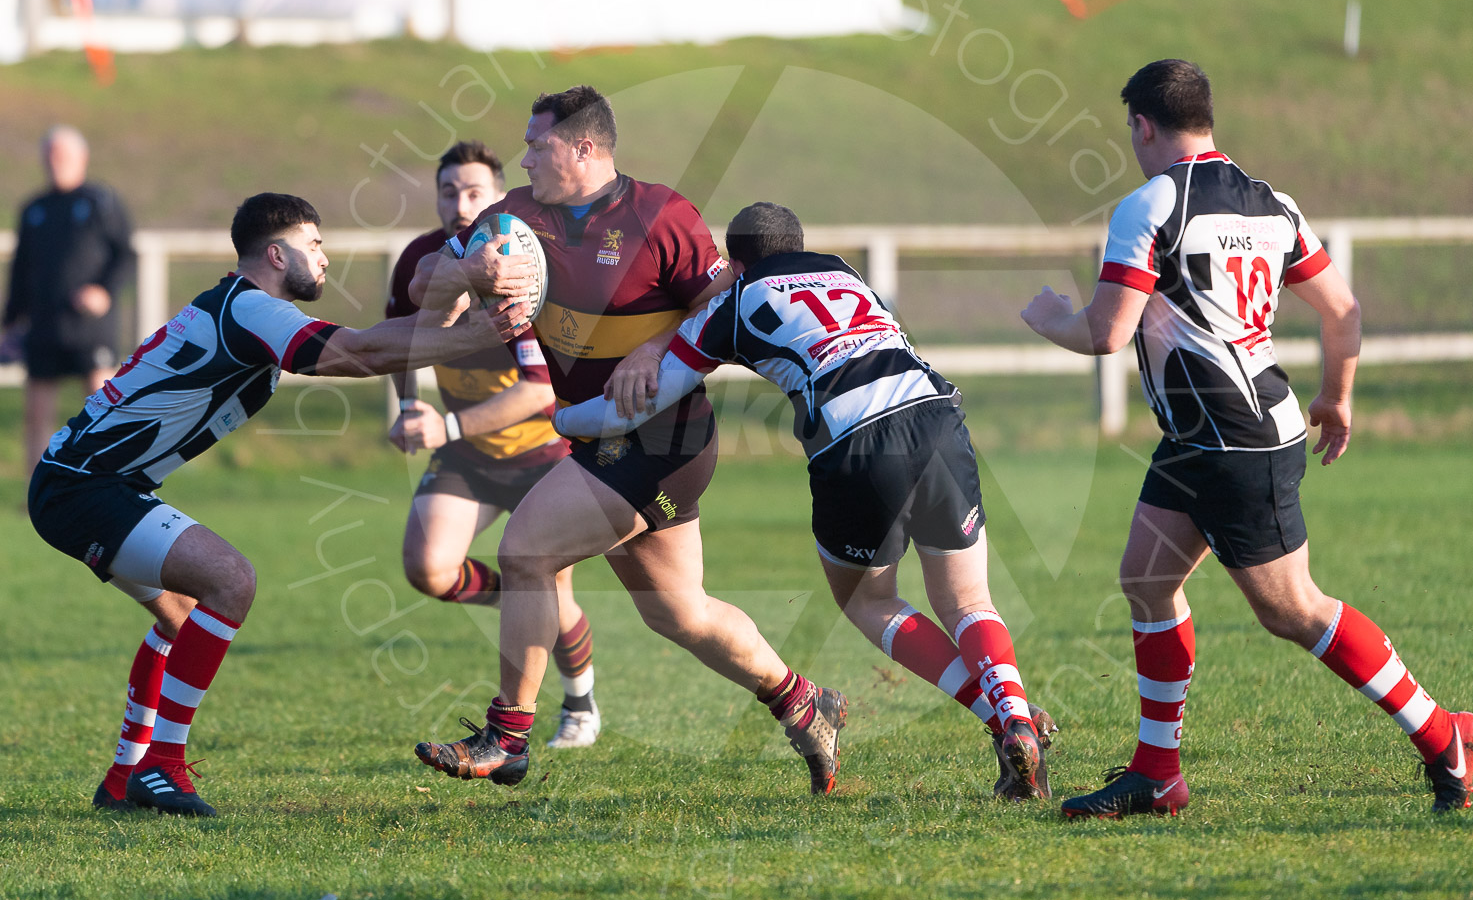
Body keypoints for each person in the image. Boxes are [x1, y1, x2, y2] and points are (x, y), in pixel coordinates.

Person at [1021, 59, 1473, 817]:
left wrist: (1048, 320)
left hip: (1232, 441)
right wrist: (1337, 398)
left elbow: (1108, 335)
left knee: (1294, 610)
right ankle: (1157, 774)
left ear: (1142, 124)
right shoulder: (1273, 205)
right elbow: (1343, 311)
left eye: (1132, 129)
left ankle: (1441, 735)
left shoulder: (1149, 206)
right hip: (1206, 436)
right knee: (1145, 579)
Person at [29, 192, 531, 817]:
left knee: (182, 619)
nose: (324, 258)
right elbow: (356, 355)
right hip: (85, 486)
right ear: (276, 253)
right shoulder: (251, 309)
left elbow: (374, 339)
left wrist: (459, 323)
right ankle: (161, 767)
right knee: (231, 580)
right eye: (313, 245)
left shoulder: (242, 307)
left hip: (84, 482)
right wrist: (477, 334)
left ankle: (125, 776)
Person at [409, 87, 847, 796]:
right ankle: (805, 701)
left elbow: (724, 300)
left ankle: (508, 738)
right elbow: (430, 282)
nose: (523, 158)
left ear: (585, 149)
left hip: (665, 439)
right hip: (598, 439)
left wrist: (660, 349)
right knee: (680, 613)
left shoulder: (661, 215)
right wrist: (468, 274)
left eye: (537, 144)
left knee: (526, 550)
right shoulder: (512, 216)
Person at [557, 201, 1058, 799]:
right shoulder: (843, 269)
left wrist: (560, 414)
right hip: (936, 415)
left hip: (854, 439)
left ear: (735, 262)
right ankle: (1018, 718)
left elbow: (643, 400)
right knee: (969, 598)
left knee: (869, 600)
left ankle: (998, 719)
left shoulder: (735, 301)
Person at [386, 140, 601, 749]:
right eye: (449, 191)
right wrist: (408, 404)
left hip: (545, 456)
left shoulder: (520, 263)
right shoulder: (420, 261)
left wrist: (447, 426)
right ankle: (523, 594)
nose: (461, 203)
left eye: (475, 192)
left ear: (499, 197)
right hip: (470, 455)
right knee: (428, 568)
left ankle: (580, 703)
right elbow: (400, 340)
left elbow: (539, 392)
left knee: (553, 586)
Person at [3, 126, 135, 472]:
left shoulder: (100, 202)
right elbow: (21, 269)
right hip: (45, 325)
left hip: (89, 327)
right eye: (50, 155)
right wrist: (10, 320)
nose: (55, 162)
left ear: (81, 158)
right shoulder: (35, 209)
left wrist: (103, 290)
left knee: (102, 407)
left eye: (62, 155)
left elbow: (124, 255)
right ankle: (37, 492)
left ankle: (110, 481)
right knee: (37, 414)